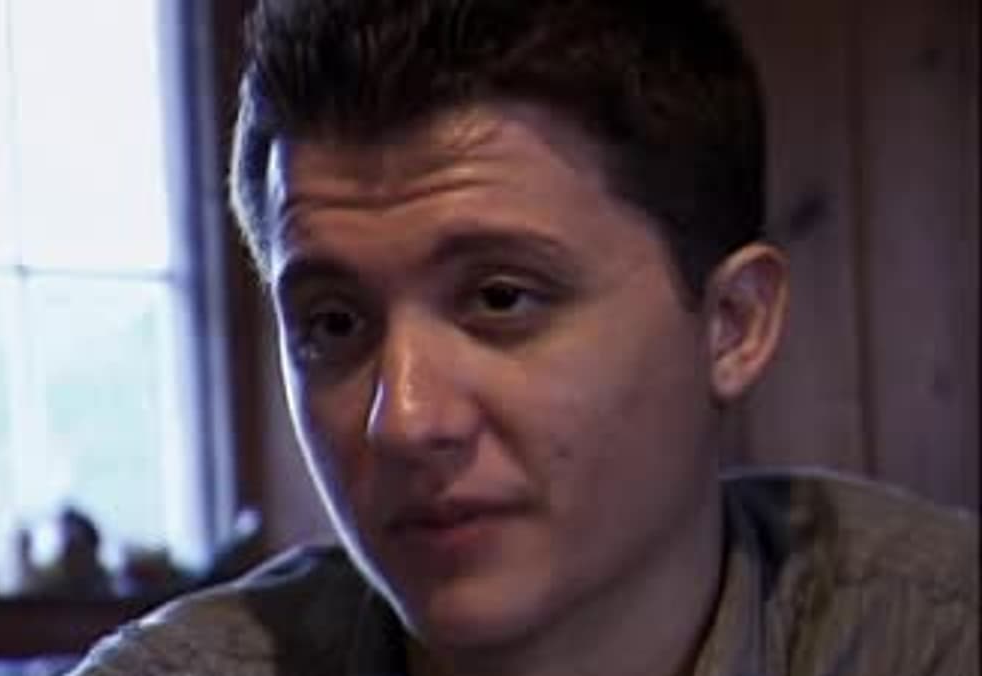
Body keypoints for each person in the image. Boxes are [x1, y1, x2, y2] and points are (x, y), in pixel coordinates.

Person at [70, 1, 978, 675]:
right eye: (334, 323)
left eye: (501, 298)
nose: (404, 420)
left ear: (732, 325)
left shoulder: (940, 638)